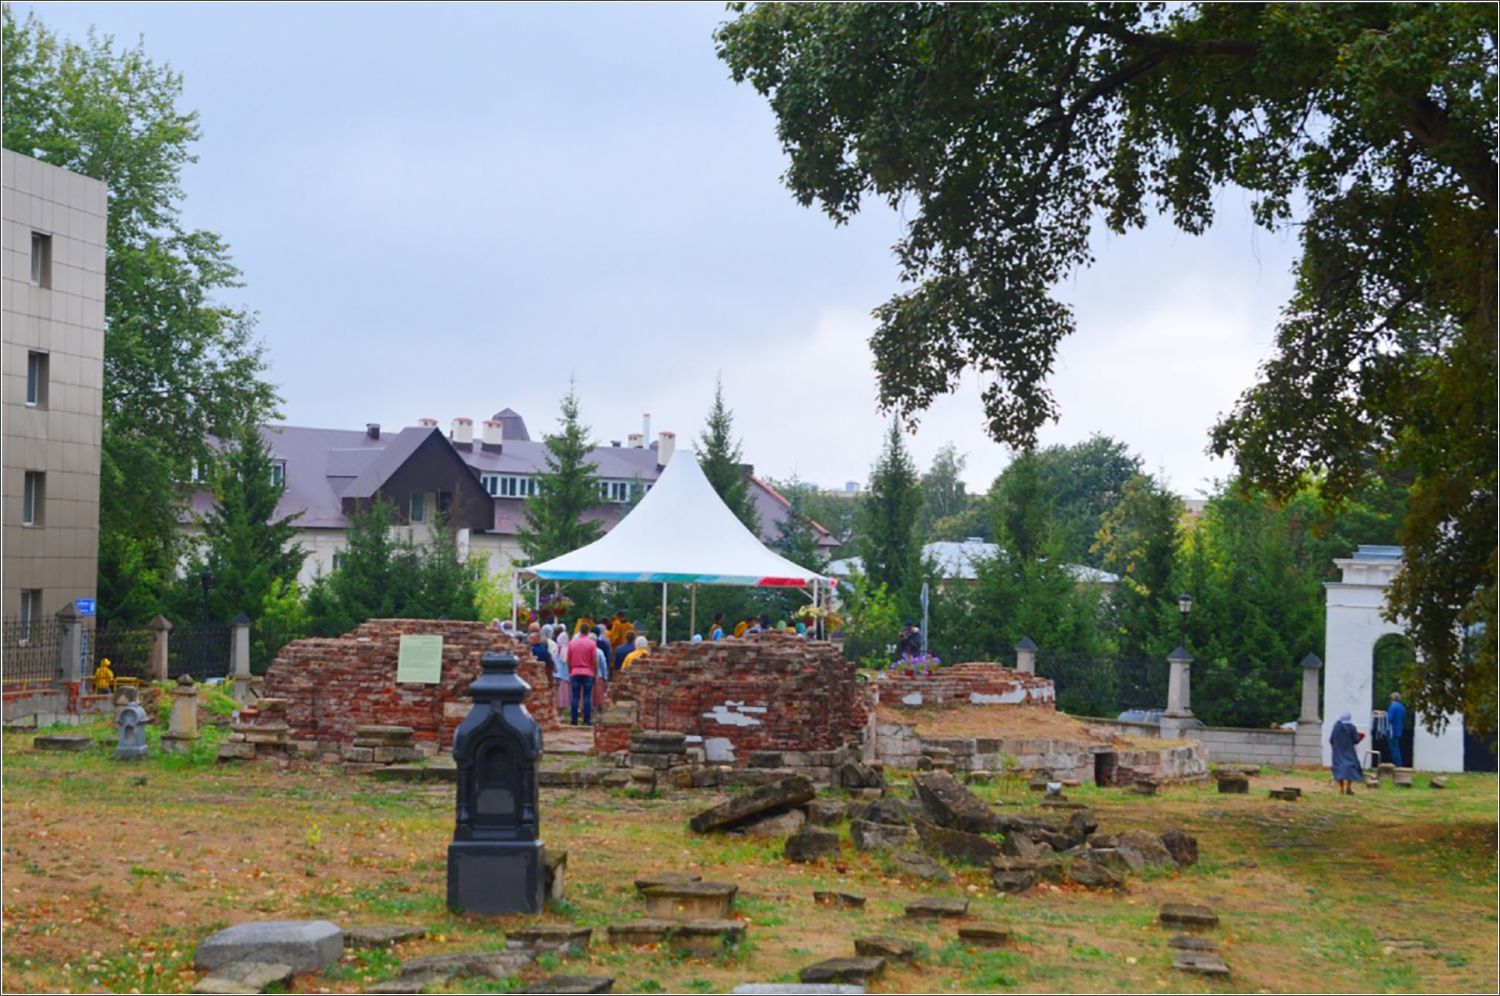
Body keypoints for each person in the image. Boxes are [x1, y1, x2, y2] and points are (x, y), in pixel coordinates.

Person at [566, 626, 598, 726]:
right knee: (587, 697)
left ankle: (574, 720)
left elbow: (568, 659)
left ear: (580, 631)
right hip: (588, 672)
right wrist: (594, 672)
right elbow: (594, 660)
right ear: (588, 632)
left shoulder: (572, 643)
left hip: (575, 671)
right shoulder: (592, 644)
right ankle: (586, 720)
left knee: (575, 696)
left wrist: (570, 671)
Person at [1329, 711, 1365, 794]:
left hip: (1338, 751)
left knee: (1339, 768)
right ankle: (1348, 787)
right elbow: (1356, 740)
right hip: (1349, 750)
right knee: (1351, 768)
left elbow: (1331, 739)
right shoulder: (1352, 727)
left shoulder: (1336, 727)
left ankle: (1341, 789)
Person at [1386, 692, 1408, 767]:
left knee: (1394, 749)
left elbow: (1389, 718)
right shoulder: (1402, 707)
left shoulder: (1392, 706)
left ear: (1392, 699)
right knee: (1396, 747)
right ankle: (1398, 764)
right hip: (1399, 730)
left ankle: (1397, 765)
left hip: (1392, 730)